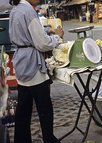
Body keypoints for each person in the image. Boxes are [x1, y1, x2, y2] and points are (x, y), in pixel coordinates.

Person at [9, 0, 64, 143]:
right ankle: (49, 139)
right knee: (44, 107)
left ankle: (21, 140)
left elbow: (27, 34)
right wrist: (57, 36)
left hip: (21, 60)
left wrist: (46, 31)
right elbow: (42, 43)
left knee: (23, 109)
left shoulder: (16, 10)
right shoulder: (29, 12)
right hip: (32, 63)